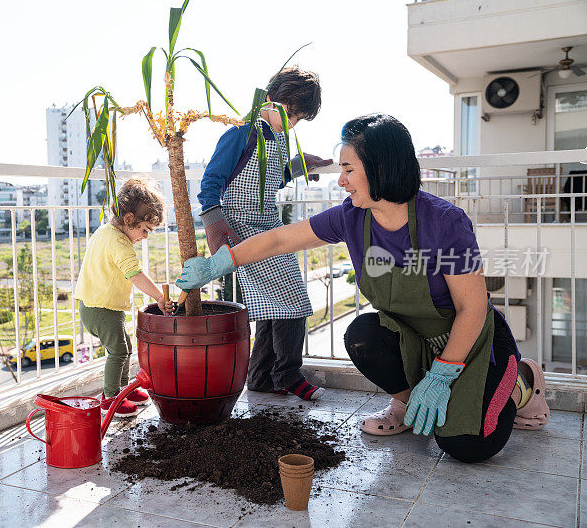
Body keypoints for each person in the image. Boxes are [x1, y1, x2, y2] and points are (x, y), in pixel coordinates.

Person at [177, 113, 549, 463]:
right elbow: (277, 241)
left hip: (469, 341)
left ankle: (523, 382)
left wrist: (441, 374)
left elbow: (473, 309)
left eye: (349, 169)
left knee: (467, 446)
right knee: (361, 335)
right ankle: (405, 404)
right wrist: (219, 263)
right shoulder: (351, 217)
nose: (341, 180)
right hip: (409, 336)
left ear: (381, 170)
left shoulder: (446, 224)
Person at [197, 66, 333, 402]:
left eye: (298, 119)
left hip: (269, 227)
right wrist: (215, 226)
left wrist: (301, 165)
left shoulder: (277, 140)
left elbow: (271, 179)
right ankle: (287, 374)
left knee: (277, 304)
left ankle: (260, 376)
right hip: (241, 229)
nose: (291, 123)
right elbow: (210, 183)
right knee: (294, 300)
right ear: (269, 99)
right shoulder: (241, 135)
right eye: (289, 113)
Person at [74, 177, 174, 418]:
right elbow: (134, 274)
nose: (145, 236)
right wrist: (160, 297)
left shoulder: (105, 232)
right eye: (144, 230)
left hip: (97, 305)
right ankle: (110, 399)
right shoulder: (119, 243)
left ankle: (123, 391)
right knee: (118, 351)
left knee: (124, 348)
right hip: (101, 308)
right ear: (129, 219)